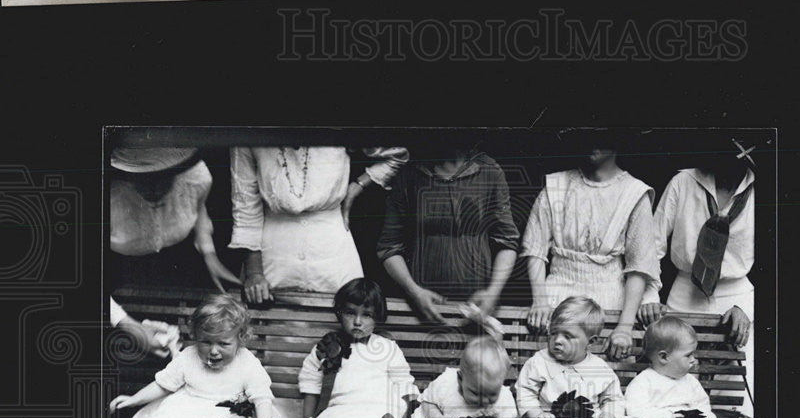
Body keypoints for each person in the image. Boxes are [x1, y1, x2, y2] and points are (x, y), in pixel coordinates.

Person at [640, 137, 756, 418]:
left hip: (737, 298)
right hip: (684, 292)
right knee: (673, 407)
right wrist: (651, 297)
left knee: (732, 412)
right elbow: (651, 243)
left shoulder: (761, 188)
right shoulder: (683, 183)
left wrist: (749, 309)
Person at [108, 294, 280, 418]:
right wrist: (134, 399)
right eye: (205, 342)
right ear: (195, 336)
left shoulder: (246, 362)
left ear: (241, 338)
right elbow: (163, 385)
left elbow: (262, 399)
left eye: (223, 344)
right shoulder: (188, 357)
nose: (214, 351)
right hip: (190, 406)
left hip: (227, 409)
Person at [520, 147, 659, 361]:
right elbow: (535, 248)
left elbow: (639, 266)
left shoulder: (634, 192)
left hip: (609, 301)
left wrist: (624, 327)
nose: (592, 143)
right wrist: (540, 301)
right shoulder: (557, 185)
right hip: (556, 296)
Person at [230, 145, 409, 303]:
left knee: (343, 326)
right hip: (273, 253)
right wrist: (254, 273)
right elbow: (245, 206)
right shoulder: (250, 132)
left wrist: (356, 187)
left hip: (333, 250)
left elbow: (397, 154)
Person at [377, 144, 520, 322]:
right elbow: (389, 248)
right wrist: (415, 292)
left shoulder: (489, 171)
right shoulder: (410, 174)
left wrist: (493, 292)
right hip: (422, 306)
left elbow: (507, 242)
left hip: (475, 308)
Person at [298, 278, 418, 418]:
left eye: (367, 315)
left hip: (378, 410)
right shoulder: (327, 347)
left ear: (377, 317)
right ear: (339, 313)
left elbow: (403, 383)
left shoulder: (387, 348)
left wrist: (407, 413)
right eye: (351, 313)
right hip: (341, 409)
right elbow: (311, 386)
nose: (357, 322)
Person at [110, 146, 241, 292]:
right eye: (144, 180)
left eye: (163, 179)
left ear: (177, 172)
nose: (155, 189)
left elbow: (198, 208)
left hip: (178, 263)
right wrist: (120, 315)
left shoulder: (196, 178)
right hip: (117, 270)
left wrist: (209, 253)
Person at [380, 335, 517, 418]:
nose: (484, 401)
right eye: (475, 393)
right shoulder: (446, 383)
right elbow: (427, 403)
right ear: (460, 379)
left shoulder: (504, 399)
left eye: (492, 394)